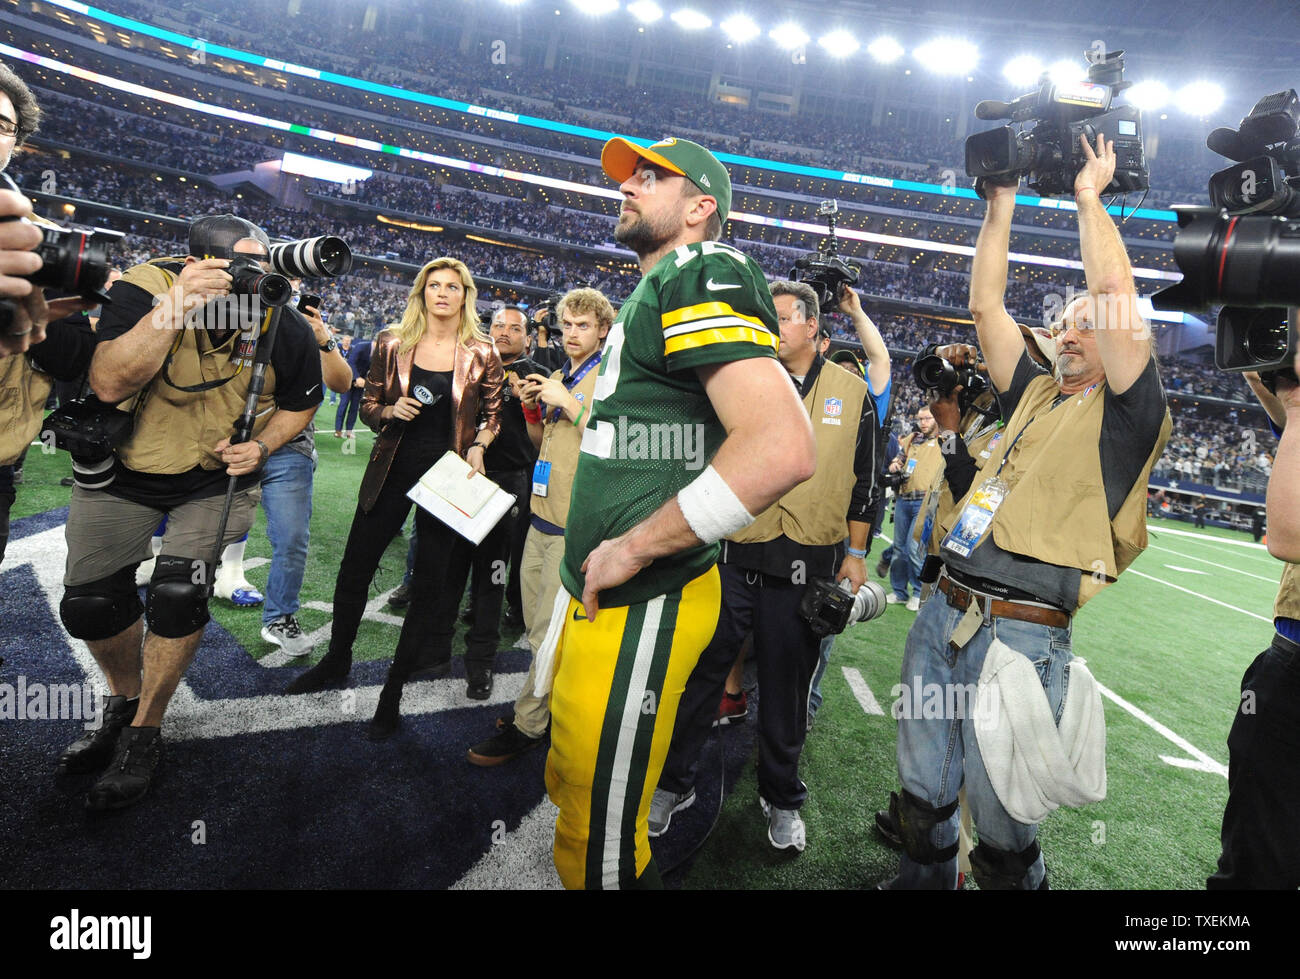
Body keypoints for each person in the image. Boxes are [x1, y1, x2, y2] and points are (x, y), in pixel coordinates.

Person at [884, 135, 1171, 890]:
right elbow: (986, 304)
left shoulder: (1129, 417)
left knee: (1005, 828)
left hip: (1020, 632)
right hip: (944, 606)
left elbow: (1114, 300)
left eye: (1086, 325)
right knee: (923, 792)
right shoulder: (1038, 392)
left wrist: (1088, 202)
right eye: (1063, 323)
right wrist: (1001, 202)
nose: (1070, 332)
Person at [536, 136, 816, 889]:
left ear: (701, 208)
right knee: (574, 783)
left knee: (599, 832)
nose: (629, 186)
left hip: (644, 593)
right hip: (604, 591)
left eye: (651, 177)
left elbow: (783, 448)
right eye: (630, 176)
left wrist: (633, 547)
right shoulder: (654, 288)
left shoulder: (704, 268)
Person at [55, 214, 323, 811]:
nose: (262, 275)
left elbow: (306, 400)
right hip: (123, 467)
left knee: (179, 593)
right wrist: (176, 306)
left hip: (212, 479)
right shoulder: (145, 287)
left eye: (267, 261)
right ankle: (122, 704)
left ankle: (145, 732)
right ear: (201, 262)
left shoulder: (281, 314)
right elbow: (106, 381)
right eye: (248, 263)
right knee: (91, 603)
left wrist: (263, 445)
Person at [648, 278, 881, 852]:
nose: (767, 328)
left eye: (778, 318)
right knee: (702, 678)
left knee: (787, 691)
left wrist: (856, 555)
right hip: (732, 555)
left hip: (808, 563)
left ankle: (781, 798)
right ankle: (675, 784)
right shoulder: (738, 381)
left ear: (811, 327)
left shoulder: (853, 393)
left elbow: (866, 485)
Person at [284, 257, 503, 735]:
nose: (442, 293)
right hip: (390, 469)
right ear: (421, 293)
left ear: (465, 295)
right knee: (354, 568)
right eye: (433, 285)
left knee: (428, 585)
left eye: (452, 286)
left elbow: (493, 414)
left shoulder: (483, 351)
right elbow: (365, 404)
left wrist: (481, 446)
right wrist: (387, 410)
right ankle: (337, 660)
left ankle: (393, 691)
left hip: (446, 478)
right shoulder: (391, 341)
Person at [466, 288, 613, 764]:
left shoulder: (611, 377)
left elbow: (620, 445)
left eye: (583, 326)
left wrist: (568, 402)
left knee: (550, 630)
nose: (572, 334)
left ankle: (531, 723)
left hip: (576, 525)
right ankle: (549, 708)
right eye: (568, 325)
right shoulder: (557, 373)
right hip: (541, 514)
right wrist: (533, 407)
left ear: (604, 330)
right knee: (536, 627)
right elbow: (539, 442)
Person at [1207, 363, 1300, 889]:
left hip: (1292, 661)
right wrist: (1270, 381)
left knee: (1257, 858)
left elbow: (1287, 537)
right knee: (1255, 842)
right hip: (1289, 648)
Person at [255, 292, 354, 655]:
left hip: (290, 449)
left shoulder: (304, 330)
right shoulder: (235, 315)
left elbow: (342, 383)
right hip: (228, 443)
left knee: (292, 538)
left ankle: (279, 616)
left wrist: (323, 338)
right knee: (204, 535)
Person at [887, 406, 941, 610]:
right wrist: (894, 464)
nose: (923, 422)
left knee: (913, 548)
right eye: (920, 419)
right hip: (904, 496)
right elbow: (899, 458)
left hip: (925, 501)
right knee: (899, 548)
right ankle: (899, 591)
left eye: (927, 418)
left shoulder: (946, 439)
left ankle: (919, 592)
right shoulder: (911, 439)